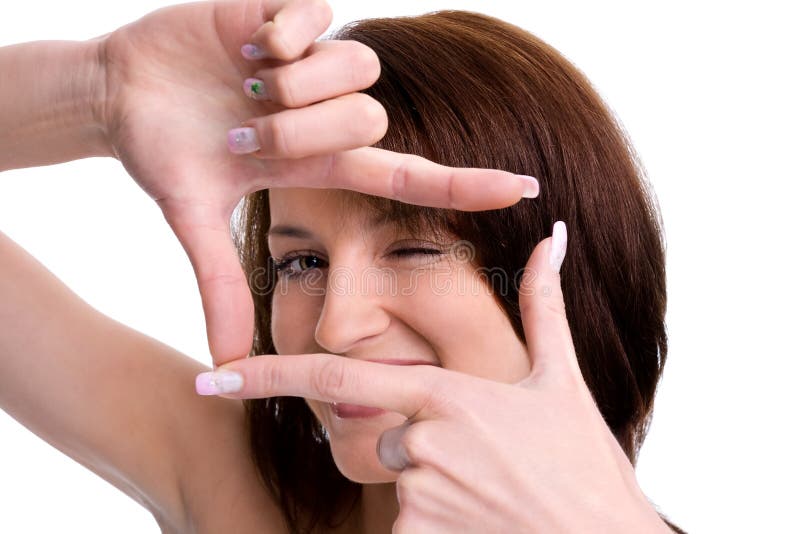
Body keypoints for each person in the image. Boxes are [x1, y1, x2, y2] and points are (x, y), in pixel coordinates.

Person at [0, 1, 684, 533]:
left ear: (575, 272)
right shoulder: (240, 487)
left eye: (414, 249)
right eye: (301, 262)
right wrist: (100, 91)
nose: (336, 325)